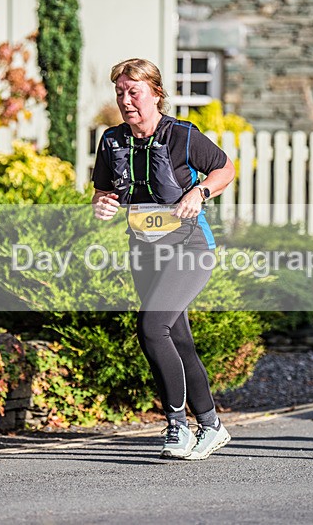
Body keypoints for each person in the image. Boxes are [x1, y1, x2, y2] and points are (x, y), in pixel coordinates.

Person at [91, 58, 236, 460]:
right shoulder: (112, 141)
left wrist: (199, 193)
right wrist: (102, 204)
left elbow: (225, 169)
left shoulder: (183, 136)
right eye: (120, 92)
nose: (125, 100)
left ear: (155, 94)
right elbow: (104, 193)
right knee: (178, 338)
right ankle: (212, 425)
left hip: (190, 248)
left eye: (133, 91)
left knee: (153, 328)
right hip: (144, 251)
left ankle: (178, 426)